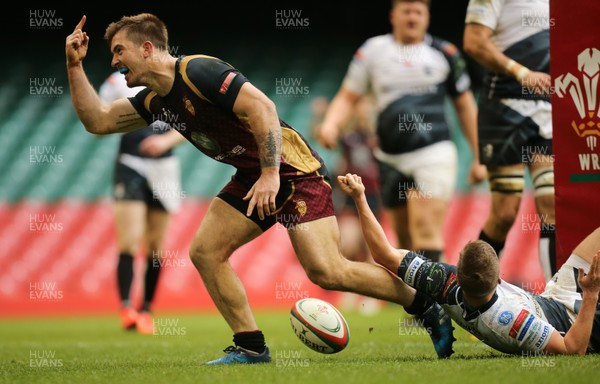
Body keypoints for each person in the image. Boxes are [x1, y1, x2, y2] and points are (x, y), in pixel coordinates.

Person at [65, 13, 456, 364]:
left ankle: (424, 305)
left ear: (147, 48)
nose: (115, 62)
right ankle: (251, 346)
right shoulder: (155, 101)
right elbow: (97, 121)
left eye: (120, 51)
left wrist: (271, 174)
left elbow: (263, 108)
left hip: (295, 172)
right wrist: (73, 65)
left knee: (328, 271)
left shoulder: (198, 70)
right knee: (206, 252)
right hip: (254, 178)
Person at [339, 172, 600, 355]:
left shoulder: (443, 282)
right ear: (499, 280)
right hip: (573, 320)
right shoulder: (516, 321)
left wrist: (360, 197)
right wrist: (590, 295)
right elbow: (572, 350)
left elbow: (384, 254)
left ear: (457, 272)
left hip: (554, 295)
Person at [317, 0, 487, 263]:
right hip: (388, 157)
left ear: (427, 18)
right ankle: (416, 301)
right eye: (406, 11)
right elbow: (348, 96)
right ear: (393, 16)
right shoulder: (373, 51)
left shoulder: (445, 53)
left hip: (433, 152)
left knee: (425, 229)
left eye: (418, 12)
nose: (412, 18)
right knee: (404, 237)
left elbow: (465, 106)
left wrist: (478, 157)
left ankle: (436, 303)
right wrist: (331, 124)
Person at [463, 0, 556, 280]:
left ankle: (559, 298)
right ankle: (471, 294)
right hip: (505, 107)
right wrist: (521, 72)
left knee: (553, 205)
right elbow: (473, 42)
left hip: (549, 107)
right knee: (504, 213)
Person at [98, 71, 187, 334]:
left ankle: (146, 309)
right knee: (130, 239)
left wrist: (165, 141)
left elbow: (190, 125)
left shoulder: (173, 79)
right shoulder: (115, 81)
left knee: (157, 247)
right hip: (130, 163)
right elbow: (97, 118)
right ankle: (127, 308)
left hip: (165, 168)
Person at [311, 95, 384, 315]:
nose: (362, 112)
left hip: (373, 196)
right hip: (352, 194)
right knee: (350, 245)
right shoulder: (349, 137)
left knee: (373, 249)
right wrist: (319, 116)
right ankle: (352, 290)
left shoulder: (376, 136)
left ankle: (374, 297)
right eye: (359, 108)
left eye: (365, 109)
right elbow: (323, 136)